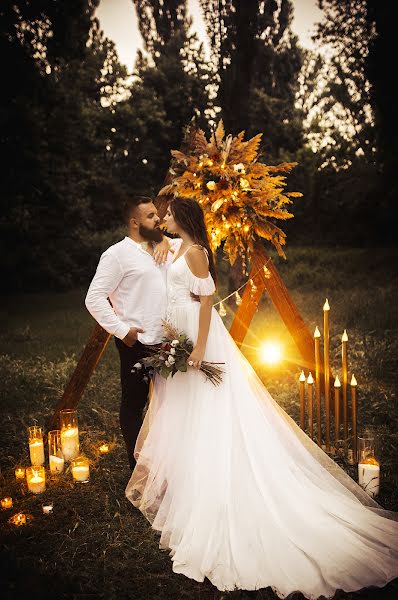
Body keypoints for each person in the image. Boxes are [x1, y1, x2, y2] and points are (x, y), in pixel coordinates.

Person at [125, 197, 398, 599]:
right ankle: (187, 485)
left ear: (181, 218)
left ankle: (220, 487)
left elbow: (204, 304)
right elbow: (158, 270)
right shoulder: (175, 248)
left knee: (210, 411)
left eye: (167, 214)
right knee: (184, 414)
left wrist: (199, 347)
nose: (162, 218)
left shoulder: (197, 252)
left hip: (200, 339)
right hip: (176, 337)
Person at [85, 196, 174, 470]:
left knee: (170, 405)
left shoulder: (162, 248)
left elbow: (194, 245)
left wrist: (166, 241)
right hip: (137, 343)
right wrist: (123, 331)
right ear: (135, 223)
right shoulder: (117, 255)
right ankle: (139, 467)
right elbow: (94, 298)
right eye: (150, 216)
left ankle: (167, 461)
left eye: (156, 215)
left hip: (170, 344)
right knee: (134, 404)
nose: (157, 219)